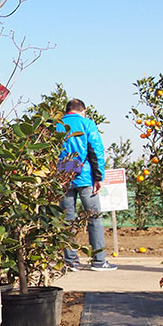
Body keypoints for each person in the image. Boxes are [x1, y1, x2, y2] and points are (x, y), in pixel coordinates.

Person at [57, 99, 117, 271]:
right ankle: (99, 260)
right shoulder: (87, 124)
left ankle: (70, 261)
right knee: (94, 218)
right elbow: (96, 150)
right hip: (85, 178)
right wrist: (99, 177)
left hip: (63, 178)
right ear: (82, 110)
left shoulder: (56, 125)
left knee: (66, 220)